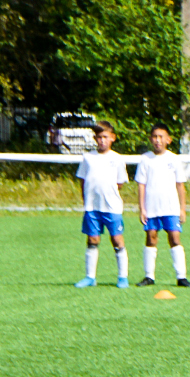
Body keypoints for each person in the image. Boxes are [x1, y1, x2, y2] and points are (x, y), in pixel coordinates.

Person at [135, 124, 190, 288]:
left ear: (168, 140)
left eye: (161, 137)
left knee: (174, 238)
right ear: (150, 139)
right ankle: (149, 276)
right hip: (152, 208)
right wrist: (142, 208)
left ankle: (181, 276)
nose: (158, 140)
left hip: (170, 208)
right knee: (151, 237)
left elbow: (180, 185)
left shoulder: (173, 159)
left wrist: (182, 209)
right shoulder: (145, 159)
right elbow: (141, 185)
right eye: (155, 137)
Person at [74, 121, 129, 289]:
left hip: (111, 207)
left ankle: (122, 277)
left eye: (105, 137)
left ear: (112, 138)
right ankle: (90, 277)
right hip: (92, 206)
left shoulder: (117, 159)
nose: (102, 140)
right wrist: (86, 199)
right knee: (92, 239)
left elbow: (119, 183)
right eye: (99, 137)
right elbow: (83, 180)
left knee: (117, 239)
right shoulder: (88, 157)